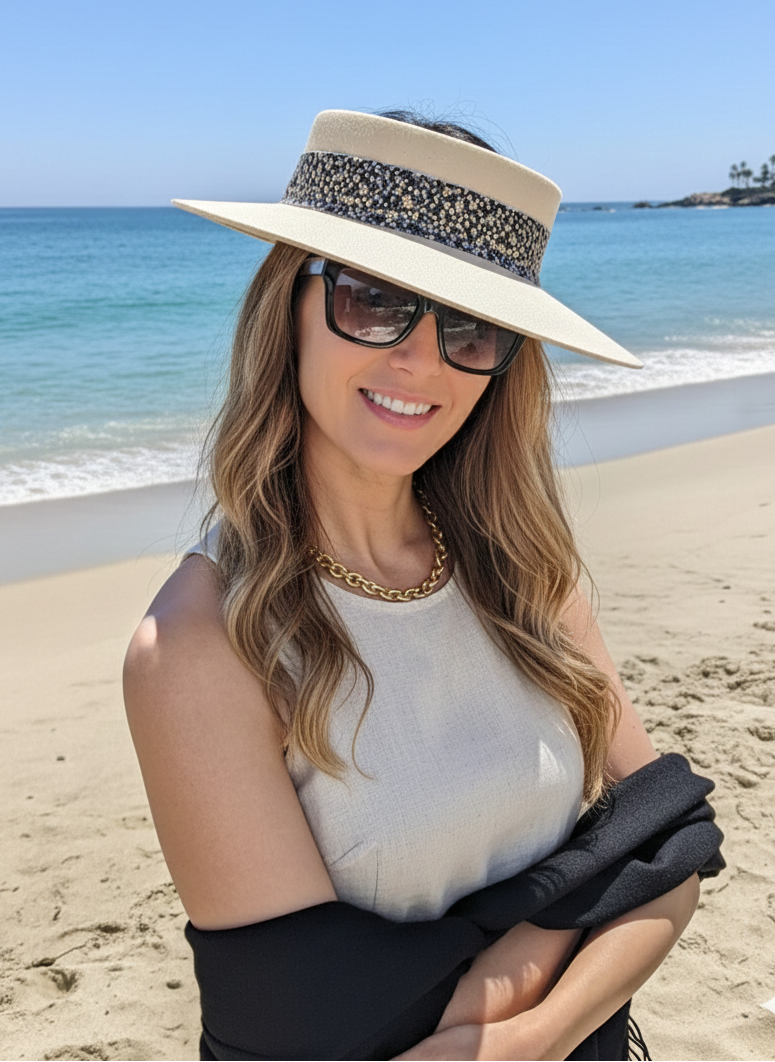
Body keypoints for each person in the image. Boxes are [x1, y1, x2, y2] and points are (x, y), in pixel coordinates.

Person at [123, 110, 713, 1061]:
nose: (420, 359)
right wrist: (589, 887)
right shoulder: (203, 642)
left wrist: (535, 1033)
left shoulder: (525, 572)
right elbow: (306, 1023)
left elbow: (679, 844)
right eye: (371, 299)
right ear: (290, 305)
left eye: (473, 329)